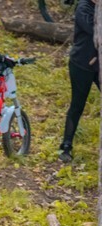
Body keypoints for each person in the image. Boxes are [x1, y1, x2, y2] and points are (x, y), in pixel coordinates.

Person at [59, 0, 99, 163]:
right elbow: (93, 30)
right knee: (77, 105)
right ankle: (66, 146)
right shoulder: (83, 7)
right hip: (81, 64)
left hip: (99, 65)